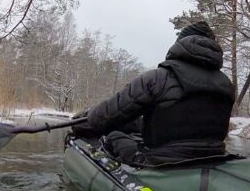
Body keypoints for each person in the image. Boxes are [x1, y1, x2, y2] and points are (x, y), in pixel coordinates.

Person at [70, 21, 235, 166]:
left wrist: (80, 121)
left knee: (114, 135)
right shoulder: (226, 84)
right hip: (214, 158)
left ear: (180, 45)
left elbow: (108, 115)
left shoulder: (158, 78)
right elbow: (185, 120)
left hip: (160, 161)